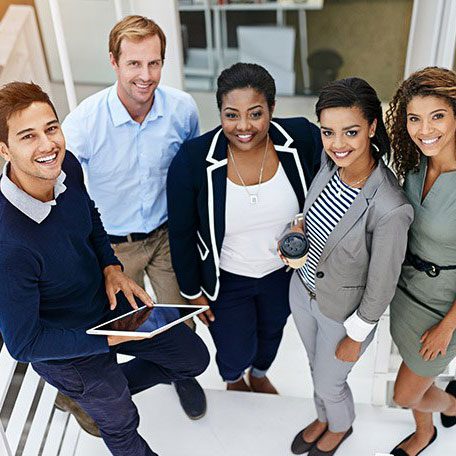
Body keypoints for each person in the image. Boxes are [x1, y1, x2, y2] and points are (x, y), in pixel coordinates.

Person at [0, 81, 209, 456]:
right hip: (66, 347)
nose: (48, 145)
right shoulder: (8, 245)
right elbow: (23, 343)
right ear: (4, 149)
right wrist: (106, 341)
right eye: (28, 136)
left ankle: (93, 395)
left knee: (192, 357)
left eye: (51, 128)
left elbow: (91, 217)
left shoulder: (66, 167)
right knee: (121, 423)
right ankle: (96, 396)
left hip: (106, 306)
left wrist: (112, 266)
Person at [61, 15, 206, 420]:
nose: (146, 75)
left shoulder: (182, 109)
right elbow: (63, 193)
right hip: (114, 246)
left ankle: (182, 374)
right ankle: (104, 394)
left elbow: (191, 174)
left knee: (180, 320)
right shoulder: (84, 125)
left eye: (154, 63)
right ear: (114, 62)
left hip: (166, 236)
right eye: (134, 64)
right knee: (124, 329)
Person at [167, 63, 322, 393]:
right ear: (220, 113)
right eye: (231, 115)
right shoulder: (193, 159)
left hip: (283, 274)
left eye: (255, 113)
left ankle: (260, 373)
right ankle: (234, 378)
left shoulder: (302, 138)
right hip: (227, 279)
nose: (243, 126)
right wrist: (193, 292)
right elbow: (180, 233)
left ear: (272, 109)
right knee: (235, 347)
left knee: (271, 334)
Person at [287, 77, 413, 456]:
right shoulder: (328, 165)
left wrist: (356, 336)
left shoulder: (390, 207)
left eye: (351, 132)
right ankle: (324, 417)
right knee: (314, 367)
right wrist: (293, 235)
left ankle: (340, 425)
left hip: (343, 316)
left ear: (373, 127)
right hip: (303, 291)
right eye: (328, 132)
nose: (337, 144)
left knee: (330, 380)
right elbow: (312, 218)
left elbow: (382, 285)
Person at [386, 66, 456, 456]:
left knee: (405, 393)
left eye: (438, 116)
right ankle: (425, 432)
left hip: (443, 306)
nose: (424, 128)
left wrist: (448, 327)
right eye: (415, 118)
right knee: (416, 379)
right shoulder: (415, 161)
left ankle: (453, 405)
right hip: (406, 291)